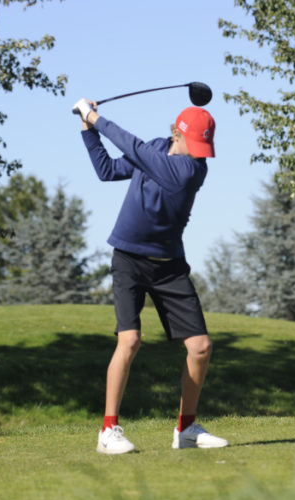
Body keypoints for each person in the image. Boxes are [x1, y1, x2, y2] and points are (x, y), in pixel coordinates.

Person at [73, 97, 229, 454]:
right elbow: (108, 170)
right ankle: (108, 431)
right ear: (178, 133)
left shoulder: (191, 171)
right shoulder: (158, 150)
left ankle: (186, 428)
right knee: (128, 341)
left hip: (168, 266)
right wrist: (88, 131)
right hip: (128, 258)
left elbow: (133, 146)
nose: (201, 152)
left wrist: (93, 116)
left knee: (201, 347)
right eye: (197, 143)